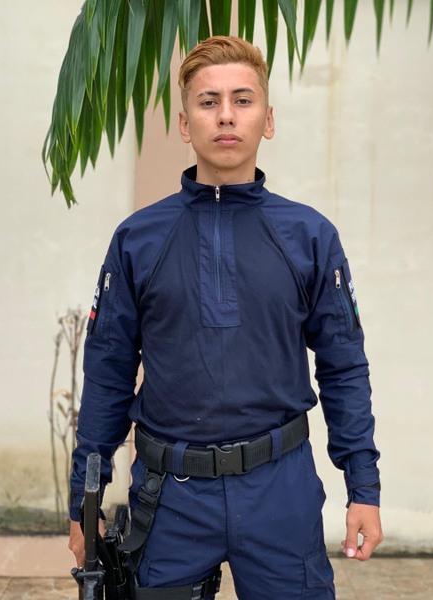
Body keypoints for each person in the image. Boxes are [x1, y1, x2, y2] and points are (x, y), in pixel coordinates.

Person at [68, 36, 383, 599]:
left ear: (268, 120)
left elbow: (343, 367)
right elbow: (108, 371)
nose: (226, 115)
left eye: (243, 99)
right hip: (169, 496)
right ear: (185, 124)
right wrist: (82, 502)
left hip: (280, 489)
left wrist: (363, 486)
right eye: (208, 102)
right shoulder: (138, 240)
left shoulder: (310, 237)